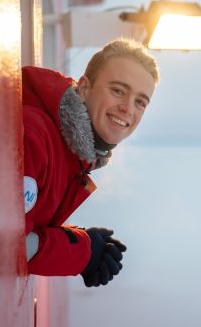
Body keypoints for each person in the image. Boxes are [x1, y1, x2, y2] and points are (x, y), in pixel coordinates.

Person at [22, 38, 160, 287]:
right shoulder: (32, 138)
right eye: (118, 91)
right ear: (85, 88)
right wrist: (82, 253)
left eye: (140, 102)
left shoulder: (71, 156)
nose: (128, 109)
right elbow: (1, 245)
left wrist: (78, 239)